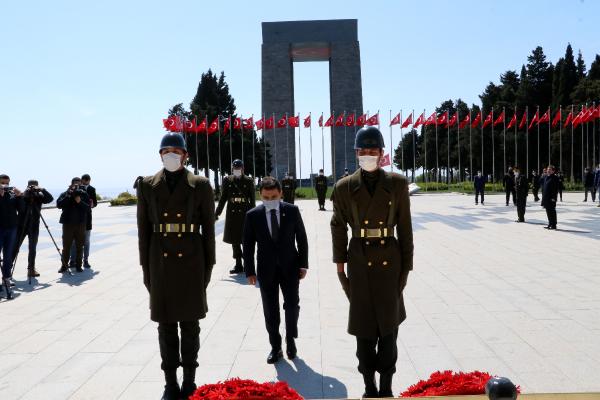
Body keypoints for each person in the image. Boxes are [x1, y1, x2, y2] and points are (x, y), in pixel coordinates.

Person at [330, 126, 413, 398]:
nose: (368, 155)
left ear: (382, 153)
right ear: (356, 153)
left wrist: (406, 268)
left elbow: (405, 228)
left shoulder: (397, 184)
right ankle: (369, 387)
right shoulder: (344, 187)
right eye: (363, 151)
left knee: (389, 329)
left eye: (373, 150)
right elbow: (338, 225)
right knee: (364, 329)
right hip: (359, 258)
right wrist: (340, 265)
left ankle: (386, 388)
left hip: (390, 257)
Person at [136, 132, 215, 400]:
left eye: (175, 150)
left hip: (192, 258)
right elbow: (143, 230)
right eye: (165, 150)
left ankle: (190, 381)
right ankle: (170, 382)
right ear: (160, 154)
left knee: (190, 325)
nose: (170, 154)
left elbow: (209, 230)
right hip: (160, 259)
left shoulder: (200, 184)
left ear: (185, 155)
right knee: (166, 325)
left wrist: (208, 266)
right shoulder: (147, 185)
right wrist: (146, 268)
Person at [242, 177, 308, 364]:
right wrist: (249, 271)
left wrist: (303, 264)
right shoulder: (252, 215)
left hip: (290, 267)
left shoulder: (292, 211)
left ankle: (290, 339)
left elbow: (301, 239)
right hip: (266, 269)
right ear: (260, 195)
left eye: (273, 196)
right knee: (270, 310)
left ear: (281, 194)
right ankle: (275, 346)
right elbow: (247, 245)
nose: (270, 200)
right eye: (265, 197)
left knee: (292, 305)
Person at [215, 159, 256, 274]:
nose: (237, 170)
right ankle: (238, 264)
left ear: (243, 169)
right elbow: (223, 198)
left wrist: (253, 215)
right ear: (232, 169)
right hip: (232, 213)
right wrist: (217, 213)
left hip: (245, 213)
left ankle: (248, 265)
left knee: (246, 240)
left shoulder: (248, 181)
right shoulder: (227, 180)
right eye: (235, 168)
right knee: (235, 240)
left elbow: (252, 200)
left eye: (239, 168)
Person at [16, 180, 53, 277]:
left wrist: (42, 190)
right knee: (15, 247)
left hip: (34, 226)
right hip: (22, 226)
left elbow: (50, 199)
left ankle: (31, 269)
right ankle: (8, 270)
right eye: (31, 186)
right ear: (27, 186)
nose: (33, 188)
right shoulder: (23, 195)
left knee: (32, 249)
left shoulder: (39, 196)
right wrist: (24, 195)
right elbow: (20, 208)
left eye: (35, 186)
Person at [57, 178, 90, 273]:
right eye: (74, 185)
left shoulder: (84, 194)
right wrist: (69, 194)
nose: (76, 187)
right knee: (66, 246)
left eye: (78, 185)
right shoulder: (65, 193)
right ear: (71, 185)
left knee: (80, 246)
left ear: (81, 185)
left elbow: (88, 209)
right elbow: (59, 204)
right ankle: (64, 266)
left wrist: (80, 201)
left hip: (80, 224)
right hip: (68, 224)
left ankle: (79, 266)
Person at [0, 174, 23, 291]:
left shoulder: (12, 195)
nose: (5, 185)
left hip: (12, 228)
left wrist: (19, 196)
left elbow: (21, 209)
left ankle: (7, 278)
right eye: (2, 183)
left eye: (7, 183)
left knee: (8, 255)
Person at [69, 174, 97, 269]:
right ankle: (72, 260)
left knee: (86, 241)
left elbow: (94, 204)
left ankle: (85, 260)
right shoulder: (73, 190)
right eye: (83, 181)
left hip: (87, 219)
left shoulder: (91, 189)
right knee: (73, 241)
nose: (84, 183)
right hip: (75, 220)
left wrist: (91, 205)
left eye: (86, 181)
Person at [541, 165, 559, 230]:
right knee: (548, 211)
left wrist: (554, 198)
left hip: (551, 198)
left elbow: (555, 189)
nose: (548, 170)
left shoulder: (555, 178)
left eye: (550, 169)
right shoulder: (546, 177)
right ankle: (550, 223)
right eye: (548, 169)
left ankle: (554, 224)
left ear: (553, 171)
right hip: (546, 197)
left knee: (552, 211)